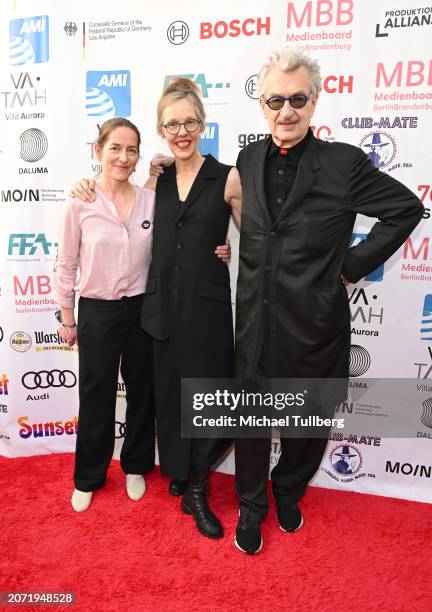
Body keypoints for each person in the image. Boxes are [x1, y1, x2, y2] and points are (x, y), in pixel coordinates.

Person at [233, 47, 424, 554]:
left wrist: (350, 266)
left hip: (313, 321)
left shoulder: (343, 164)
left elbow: (405, 208)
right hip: (255, 320)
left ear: (315, 101)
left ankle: (289, 489)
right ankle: (251, 508)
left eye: (298, 98)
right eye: (275, 99)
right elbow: (238, 210)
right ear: (262, 104)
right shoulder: (248, 158)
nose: (286, 110)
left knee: (307, 422)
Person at [70, 78, 242, 540]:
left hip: (197, 309)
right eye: (172, 124)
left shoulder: (221, 176)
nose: (181, 130)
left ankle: (176, 478)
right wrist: (85, 183)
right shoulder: (154, 183)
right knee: (146, 395)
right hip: (149, 308)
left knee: (187, 394)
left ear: (202, 124)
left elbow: (248, 237)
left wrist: (224, 249)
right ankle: (150, 474)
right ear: (162, 131)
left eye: (188, 122)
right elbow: (106, 231)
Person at [54, 118, 155, 512]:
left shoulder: (151, 199)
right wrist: (67, 317)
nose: (123, 157)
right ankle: (89, 476)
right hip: (96, 309)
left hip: (143, 308)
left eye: (132, 150)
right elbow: (66, 264)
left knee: (142, 391)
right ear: (98, 151)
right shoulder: (79, 202)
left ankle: (135, 466)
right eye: (115, 148)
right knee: (96, 394)